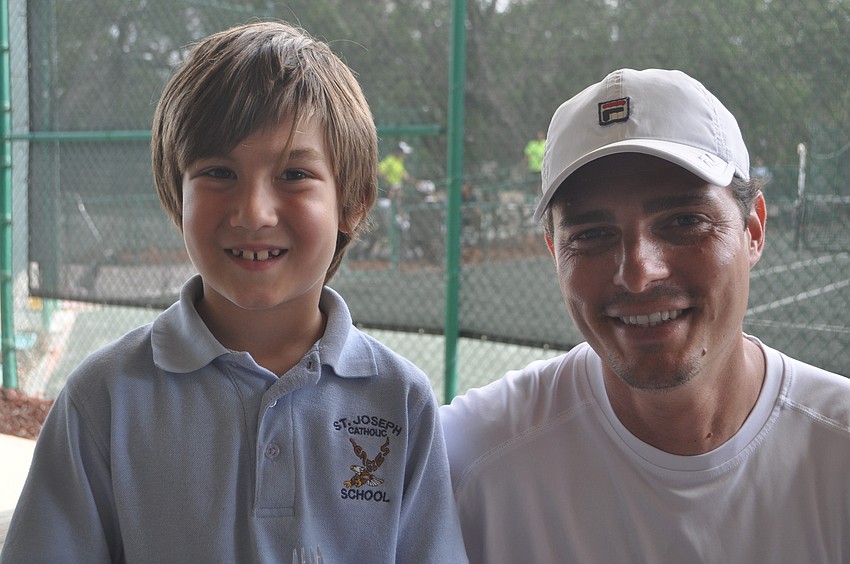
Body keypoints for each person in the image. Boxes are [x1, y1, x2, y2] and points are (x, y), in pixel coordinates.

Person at [1, 22, 466, 563]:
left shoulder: (400, 400)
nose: (253, 212)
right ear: (177, 198)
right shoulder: (104, 399)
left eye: (294, 173)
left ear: (354, 202)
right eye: (218, 172)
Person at [441, 68, 850, 563]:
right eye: (591, 234)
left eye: (684, 222)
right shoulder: (465, 458)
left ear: (754, 230)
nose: (638, 274)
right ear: (555, 251)